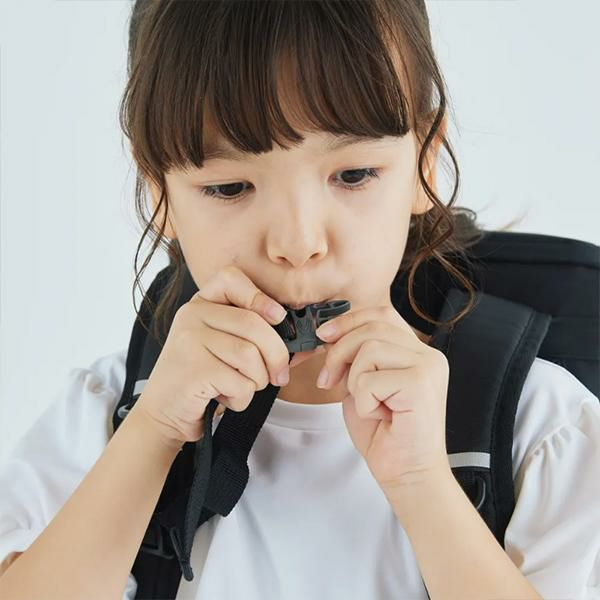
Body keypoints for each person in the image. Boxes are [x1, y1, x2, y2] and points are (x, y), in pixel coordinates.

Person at [1, 1, 598, 599]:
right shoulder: (111, 414)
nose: (298, 243)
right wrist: (153, 431)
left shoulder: (540, 427)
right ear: (158, 191)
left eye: (353, 175)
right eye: (230, 186)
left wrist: (424, 485)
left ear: (425, 161)